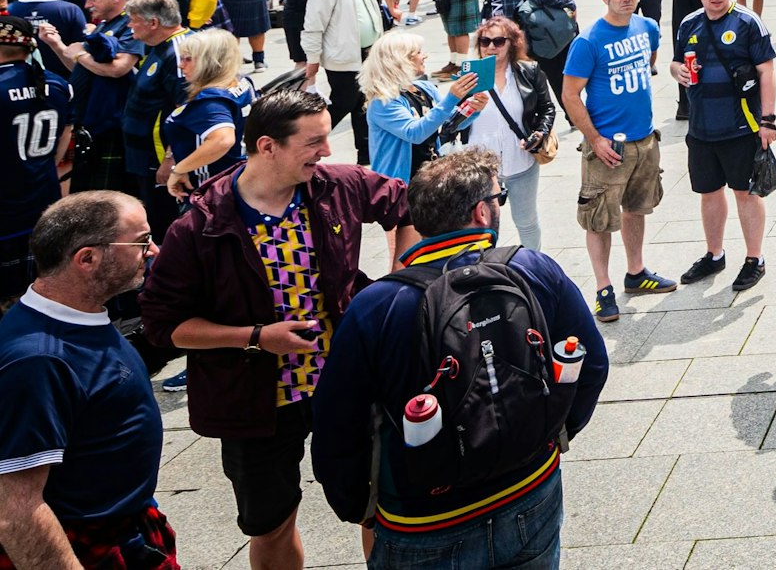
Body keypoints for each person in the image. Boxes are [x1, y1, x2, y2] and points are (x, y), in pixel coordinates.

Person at [140, 91, 417, 570]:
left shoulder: (338, 185)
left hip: (346, 383)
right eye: (314, 142)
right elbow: (164, 326)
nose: (327, 151)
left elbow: (409, 206)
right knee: (272, 523)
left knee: (378, 510)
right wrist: (255, 338)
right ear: (267, 146)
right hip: (256, 404)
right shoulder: (199, 227)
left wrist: (398, 285)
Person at [310, 149, 608, 566]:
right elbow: (591, 365)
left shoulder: (378, 304)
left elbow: (336, 426)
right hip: (529, 489)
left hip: (424, 518)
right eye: (499, 196)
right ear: (482, 213)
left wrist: (363, 507)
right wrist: (545, 438)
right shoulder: (533, 268)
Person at [0, 191, 177, 569]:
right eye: (142, 241)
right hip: (80, 547)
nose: (154, 251)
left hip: (128, 531)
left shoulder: (78, 315)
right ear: (88, 258)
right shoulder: (39, 359)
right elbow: (16, 508)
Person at [561, 0, 676, 324]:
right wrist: (595, 139)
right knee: (598, 220)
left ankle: (636, 272)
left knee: (637, 209)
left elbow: (651, 61)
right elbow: (569, 95)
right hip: (607, 148)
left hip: (644, 139)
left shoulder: (648, 28)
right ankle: (602, 288)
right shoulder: (589, 41)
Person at [669, 0, 776, 297]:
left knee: (746, 193)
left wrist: (768, 121)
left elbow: (767, 71)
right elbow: (675, 61)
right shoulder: (689, 24)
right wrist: (677, 72)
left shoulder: (747, 21)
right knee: (709, 192)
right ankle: (714, 255)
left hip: (741, 126)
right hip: (701, 128)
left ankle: (754, 259)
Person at [466, 15, 558, 250]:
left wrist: (539, 133)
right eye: (484, 42)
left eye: (498, 41)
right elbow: (451, 123)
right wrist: (465, 108)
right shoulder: (469, 77)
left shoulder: (529, 71)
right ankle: (485, 274)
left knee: (526, 222)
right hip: (481, 169)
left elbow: (547, 108)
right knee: (481, 228)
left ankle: (533, 269)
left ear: (512, 43)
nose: (490, 47)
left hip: (521, 162)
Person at [45, 0, 141, 195]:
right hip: (91, 121)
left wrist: (80, 55)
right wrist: (57, 45)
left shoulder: (131, 26)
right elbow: (85, 69)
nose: (87, 4)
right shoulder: (105, 25)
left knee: (104, 197)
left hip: (111, 124)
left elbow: (119, 69)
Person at [0, 15, 71, 314]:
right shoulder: (57, 84)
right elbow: (63, 144)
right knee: (37, 290)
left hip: (5, 206)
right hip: (43, 197)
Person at [361, 31, 487, 186]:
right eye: (419, 52)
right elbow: (414, 133)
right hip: (399, 187)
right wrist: (451, 98)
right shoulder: (383, 101)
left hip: (430, 179)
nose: (425, 56)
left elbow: (450, 122)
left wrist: (472, 109)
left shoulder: (425, 87)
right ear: (401, 60)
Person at [300, 0, 381, 168]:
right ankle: (307, 141)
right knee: (343, 103)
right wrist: (312, 60)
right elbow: (313, 26)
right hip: (344, 60)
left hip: (366, 56)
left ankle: (365, 156)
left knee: (363, 107)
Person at [161, 28, 255, 201]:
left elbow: (222, 140)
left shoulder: (210, 101)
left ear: (211, 62)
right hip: (237, 178)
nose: (181, 65)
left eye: (188, 59)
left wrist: (179, 169)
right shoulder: (241, 81)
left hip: (209, 191)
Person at [122, 0, 187, 240]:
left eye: (133, 19)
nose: (129, 25)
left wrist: (172, 159)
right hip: (144, 156)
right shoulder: (158, 48)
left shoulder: (180, 52)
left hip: (161, 160)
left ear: (153, 23)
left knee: (165, 226)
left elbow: (187, 109)